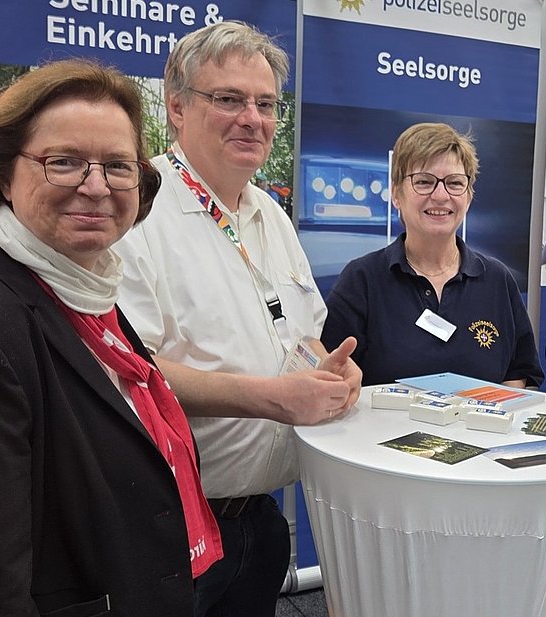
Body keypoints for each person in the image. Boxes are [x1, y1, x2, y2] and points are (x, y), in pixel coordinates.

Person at [0, 59, 218, 616]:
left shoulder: (84, 292)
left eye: (117, 165)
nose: (95, 186)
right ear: (2, 174)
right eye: (63, 162)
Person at [112, 21, 362, 617]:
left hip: (258, 520)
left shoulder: (269, 212)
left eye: (266, 103)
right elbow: (127, 375)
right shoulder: (135, 211)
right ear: (176, 107)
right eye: (228, 99)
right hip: (171, 530)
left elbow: (300, 332)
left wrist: (331, 372)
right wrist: (274, 399)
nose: (252, 117)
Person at [321, 122, 544, 389]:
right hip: (386, 431)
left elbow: (518, 372)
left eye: (455, 183)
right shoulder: (361, 281)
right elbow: (333, 376)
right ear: (395, 193)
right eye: (424, 182)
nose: (441, 195)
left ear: (469, 195)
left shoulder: (497, 281)